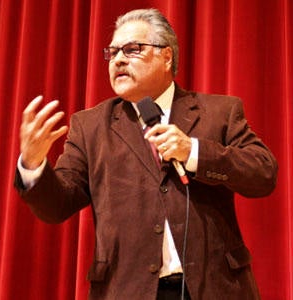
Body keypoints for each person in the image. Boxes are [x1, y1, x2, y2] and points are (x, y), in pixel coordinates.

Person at [14, 8, 278, 300]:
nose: (118, 60)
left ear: (166, 57)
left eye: (132, 49)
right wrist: (33, 164)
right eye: (112, 53)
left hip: (213, 288)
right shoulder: (90, 127)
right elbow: (57, 206)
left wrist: (195, 152)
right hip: (127, 290)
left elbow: (263, 173)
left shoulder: (218, 113)